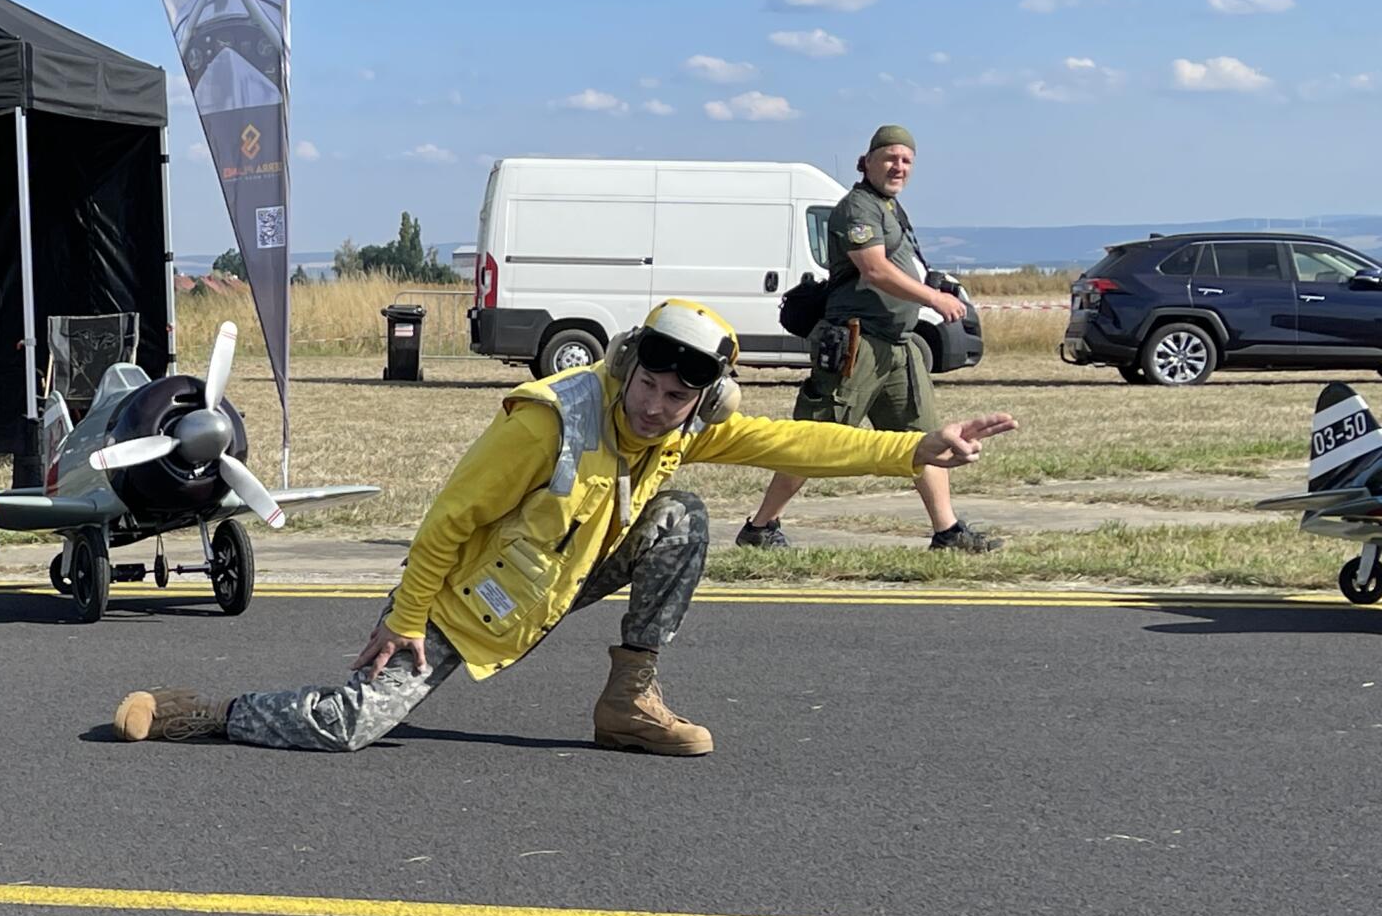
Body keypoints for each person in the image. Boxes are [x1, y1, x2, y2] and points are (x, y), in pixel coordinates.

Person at [112, 299, 1017, 755]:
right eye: (650, 389)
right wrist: (405, 617)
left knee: (681, 521)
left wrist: (915, 450)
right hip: (474, 597)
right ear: (626, 369)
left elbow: (793, 438)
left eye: (680, 397)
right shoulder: (546, 420)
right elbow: (446, 520)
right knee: (350, 727)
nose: (660, 410)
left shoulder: (687, 422)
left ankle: (627, 703)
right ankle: (210, 712)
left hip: (572, 573)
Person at [737, 124, 999, 553]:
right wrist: (933, 297)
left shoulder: (889, 207)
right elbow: (874, 269)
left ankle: (947, 532)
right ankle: (761, 527)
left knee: (924, 437)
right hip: (857, 347)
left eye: (906, 161)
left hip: (897, 346)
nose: (898, 167)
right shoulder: (856, 208)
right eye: (891, 158)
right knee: (817, 439)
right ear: (869, 161)